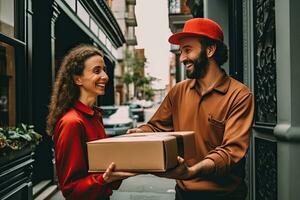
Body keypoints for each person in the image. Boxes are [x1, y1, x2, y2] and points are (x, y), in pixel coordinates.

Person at [127, 18, 254, 200]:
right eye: (180, 52)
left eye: (187, 50)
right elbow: (157, 127)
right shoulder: (178, 91)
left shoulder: (239, 95)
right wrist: (139, 132)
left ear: (210, 50)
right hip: (183, 194)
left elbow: (231, 151)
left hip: (224, 196)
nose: (182, 58)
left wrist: (192, 171)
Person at [47, 44, 135, 200]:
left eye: (104, 70)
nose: (105, 76)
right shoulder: (71, 123)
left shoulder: (95, 116)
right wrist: (104, 179)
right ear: (77, 79)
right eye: (96, 71)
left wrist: (115, 172)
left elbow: (101, 169)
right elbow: (71, 190)